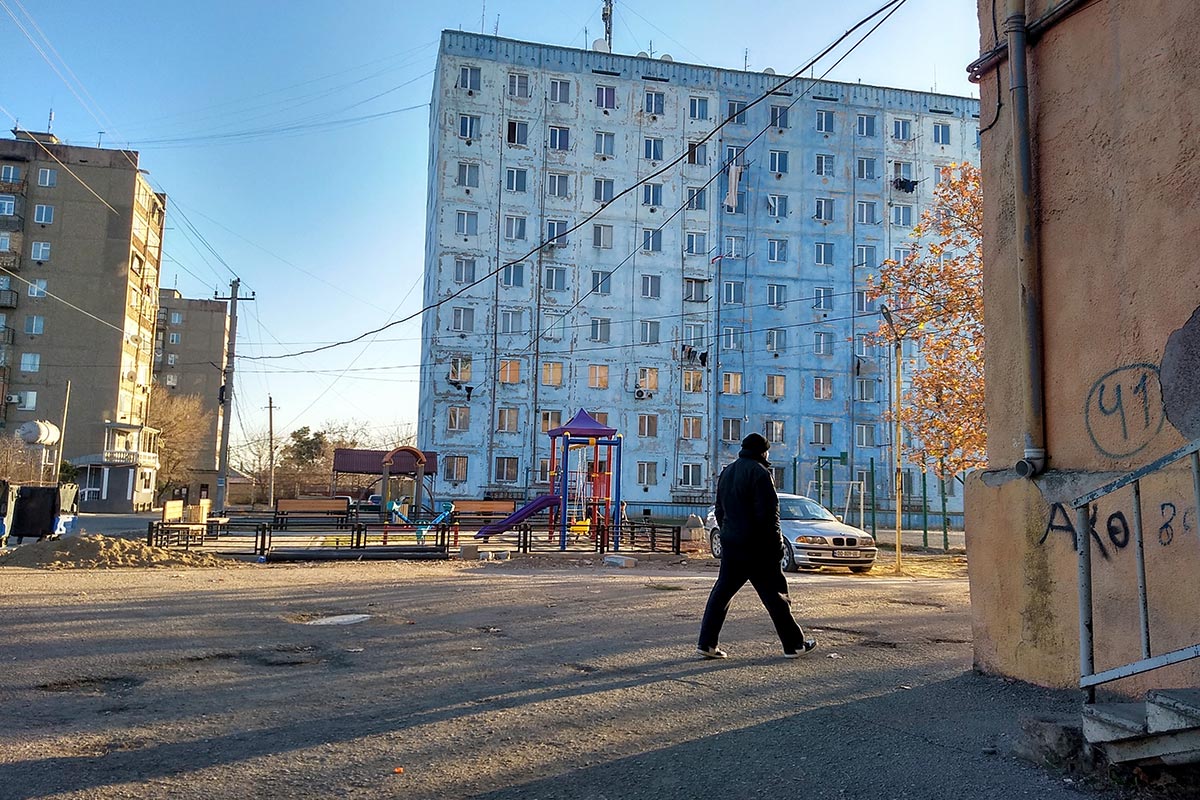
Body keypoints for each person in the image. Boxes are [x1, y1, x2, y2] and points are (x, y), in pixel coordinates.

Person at [697, 432, 817, 660]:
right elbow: (769, 515)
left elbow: (720, 509)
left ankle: (707, 643)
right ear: (763, 451)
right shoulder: (761, 474)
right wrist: (776, 545)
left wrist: (727, 534)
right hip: (759, 548)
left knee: (721, 593)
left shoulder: (727, 472)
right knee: (776, 596)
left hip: (733, 546)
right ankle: (794, 645)